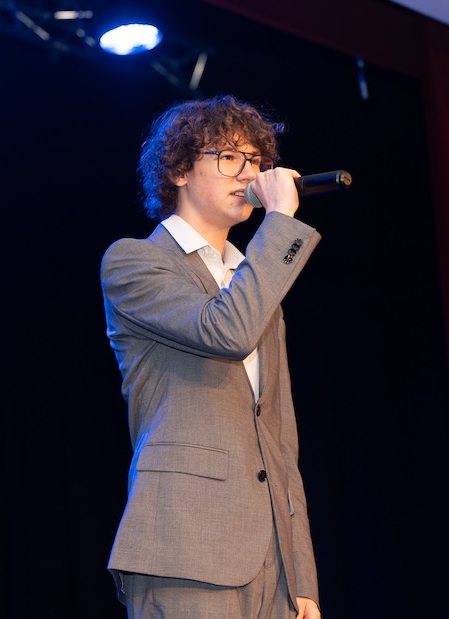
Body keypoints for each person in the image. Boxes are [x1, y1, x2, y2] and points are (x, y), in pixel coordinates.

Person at [101, 95, 322, 619]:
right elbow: (227, 331)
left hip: (272, 562)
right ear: (178, 170)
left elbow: (280, 438)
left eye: (256, 161)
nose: (248, 173)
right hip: (186, 546)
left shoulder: (252, 279)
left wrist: (302, 577)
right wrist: (280, 220)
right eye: (228, 157)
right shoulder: (135, 261)